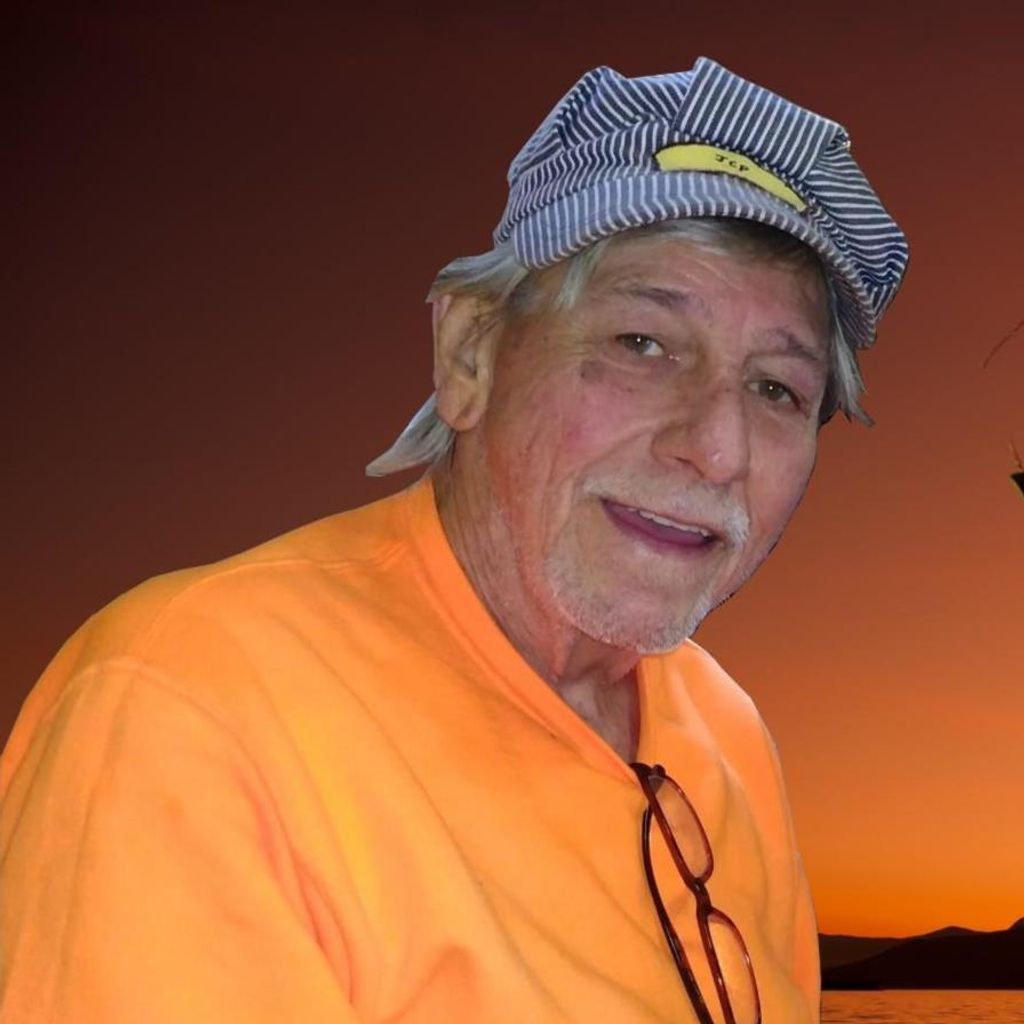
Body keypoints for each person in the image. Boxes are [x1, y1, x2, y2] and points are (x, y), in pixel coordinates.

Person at [0, 57, 907, 1024]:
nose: (718, 448)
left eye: (777, 389)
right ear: (469, 352)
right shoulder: (188, 706)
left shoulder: (728, 732)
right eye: (642, 343)